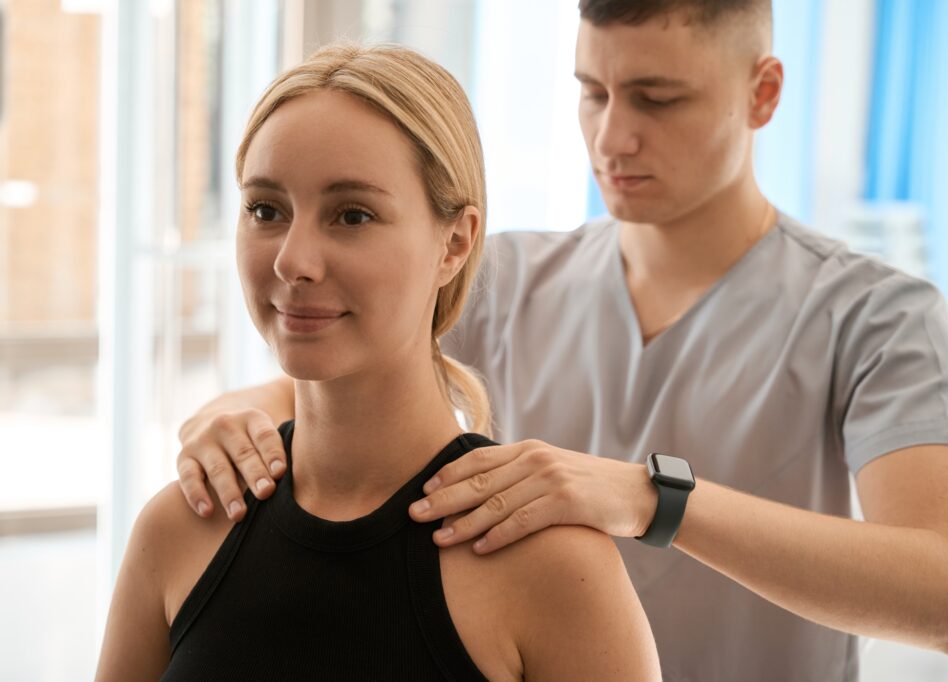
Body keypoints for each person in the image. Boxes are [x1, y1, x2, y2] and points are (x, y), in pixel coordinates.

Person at [174, 1, 948, 680]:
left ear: (763, 93)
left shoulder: (875, 314)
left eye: (656, 98)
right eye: (592, 93)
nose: (612, 138)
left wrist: (649, 500)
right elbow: (356, 370)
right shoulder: (508, 276)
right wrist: (235, 410)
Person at [95, 42, 660, 681]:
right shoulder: (178, 531)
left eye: (352, 215)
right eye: (265, 210)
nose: (292, 261)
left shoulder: (553, 567)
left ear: (454, 242)